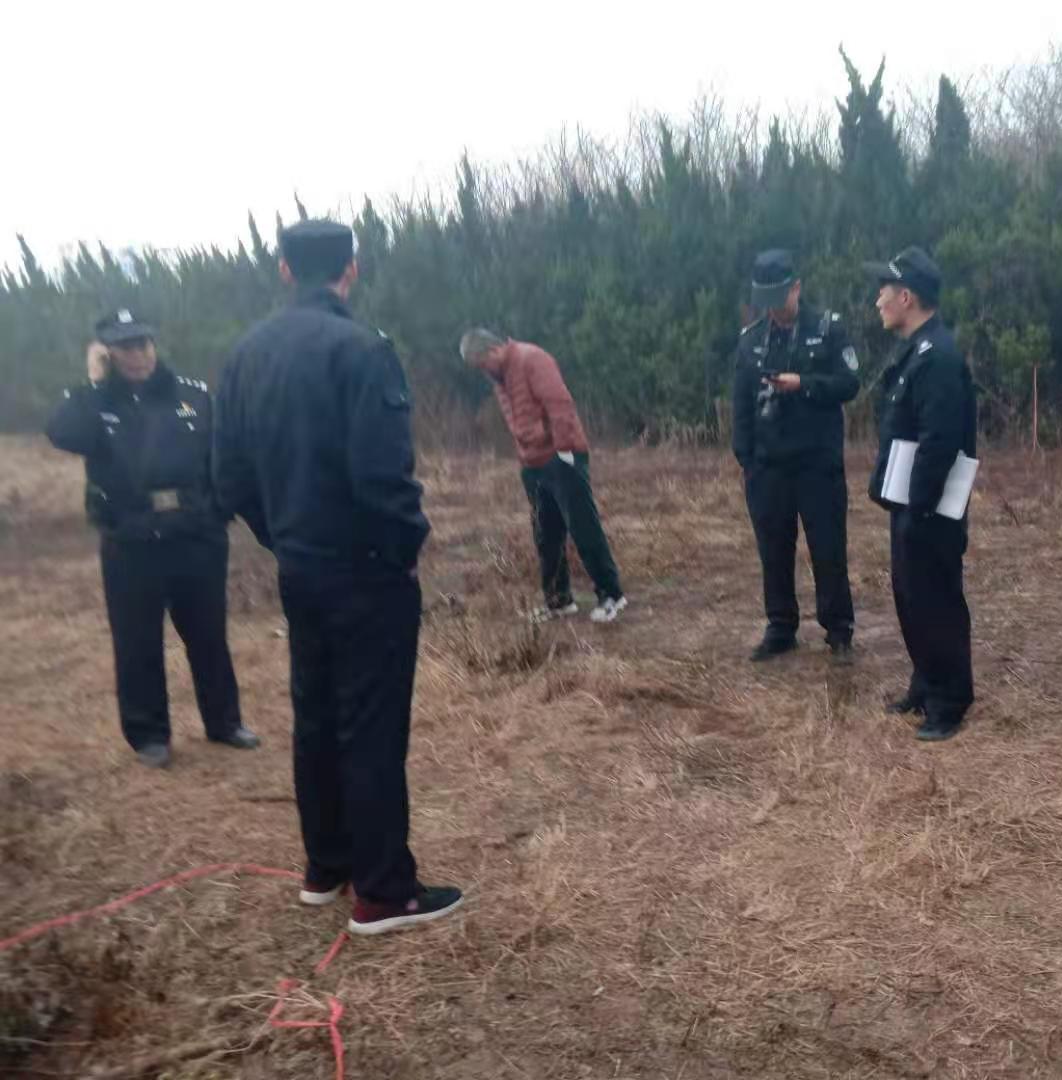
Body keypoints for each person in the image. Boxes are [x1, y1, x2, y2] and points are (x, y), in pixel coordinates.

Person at [214, 219, 461, 935]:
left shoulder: (243, 356)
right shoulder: (361, 350)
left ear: (285, 270)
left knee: (317, 711)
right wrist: (404, 546)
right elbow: (383, 474)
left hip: (300, 565)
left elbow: (228, 477)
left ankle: (327, 866)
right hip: (365, 569)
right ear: (350, 270)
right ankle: (384, 891)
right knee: (371, 725)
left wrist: (283, 537)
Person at [45, 309, 257, 769]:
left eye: (143, 344)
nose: (138, 354)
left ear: (154, 345)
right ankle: (149, 736)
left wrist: (216, 514)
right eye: (125, 347)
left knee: (208, 635)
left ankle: (224, 722)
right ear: (108, 353)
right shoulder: (95, 403)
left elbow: (224, 457)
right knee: (137, 642)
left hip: (195, 538)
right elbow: (63, 433)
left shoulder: (193, 396)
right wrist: (93, 382)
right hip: (131, 543)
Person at [862, 247, 977, 742]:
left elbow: (939, 443)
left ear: (906, 297)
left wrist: (919, 507)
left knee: (936, 600)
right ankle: (926, 683)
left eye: (884, 292)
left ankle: (950, 701)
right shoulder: (917, 351)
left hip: (929, 505)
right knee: (912, 597)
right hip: (910, 500)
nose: (877, 301)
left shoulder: (938, 358)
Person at [732, 250, 860, 663]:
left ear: (797, 288)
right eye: (765, 300)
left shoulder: (828, 329)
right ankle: (781, 627)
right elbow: (741, 404)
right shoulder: (751, 340)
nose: (773, 308)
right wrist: (747, 460)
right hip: (769, 468)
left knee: (828, 549)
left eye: (779, 298)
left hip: (817, 465)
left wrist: (804, 384)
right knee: (773, 550)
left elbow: (849, 383)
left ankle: (838, 630)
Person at [459, 328, 627, 623]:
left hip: (561, 457)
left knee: (583, 527)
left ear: (492, 351)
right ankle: (558, 601)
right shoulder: (499, 377)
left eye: (482, 364)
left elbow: (559, 404)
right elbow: (518, 420)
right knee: (546, 536)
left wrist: (564, 450)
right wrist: (525, 457)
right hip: (532, 464)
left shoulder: (532, 358)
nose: (483, 371)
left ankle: (611, 595)